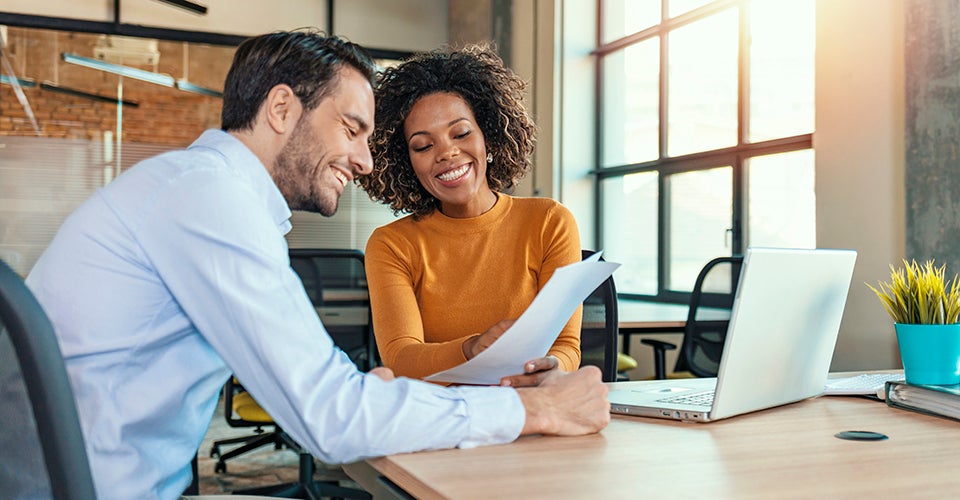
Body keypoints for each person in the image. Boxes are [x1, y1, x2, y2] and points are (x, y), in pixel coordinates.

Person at [22, 30, 609, 498]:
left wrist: (369, 394)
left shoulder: (206, 192)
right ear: (282, 108)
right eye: (352, 129)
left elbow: (330, 396)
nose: (362, 160)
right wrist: (532, 408)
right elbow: (328, 419)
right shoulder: (207, 200)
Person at [358, 44, 582, 387]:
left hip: (528, 406)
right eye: (423, 145)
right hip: (438, 415)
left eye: (461, 133)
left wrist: (552, 368)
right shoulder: (391, 244)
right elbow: (401, 357)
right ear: (407, 163)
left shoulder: (550, 222)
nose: (447, 152)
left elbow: (566, 346)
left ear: (488, 138)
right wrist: (471, 349)